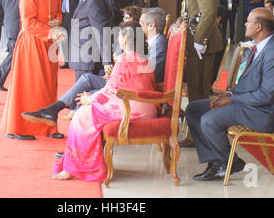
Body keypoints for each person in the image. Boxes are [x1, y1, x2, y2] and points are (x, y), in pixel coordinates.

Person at [28, 21, 158, 181]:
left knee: (81, 116)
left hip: (133, 107)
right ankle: (75, 164)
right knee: (84, 112)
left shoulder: (126, 59)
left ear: (124, 37)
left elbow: (113, 90)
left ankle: (77, 167)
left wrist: (92, 99)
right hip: (142, 104)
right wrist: (94, 99)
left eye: (118, 35)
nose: (118, 38)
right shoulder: (141, 58)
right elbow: (117, 88)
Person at [184, 8, 274, 181]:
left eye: (248, 21)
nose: (245, 24)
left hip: (259, 112)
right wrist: (227, 94)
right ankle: (219, 160)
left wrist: (231, 99)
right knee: (194, 109)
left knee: (209, 120)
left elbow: (267, 95)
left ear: (258, 26)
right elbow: (245, 84)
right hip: (245, 104)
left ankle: (227, 162)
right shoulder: (260, 48)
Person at [22, 8, 168, 135]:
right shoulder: (142, 47)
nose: (138, 28)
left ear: (152, 25)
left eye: (140, 24)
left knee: (87, 98)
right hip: (133, 91)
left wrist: (93, 97)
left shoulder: (158, 43)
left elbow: (148, 73)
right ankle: (56, 111)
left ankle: (79, 152)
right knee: (87, 83)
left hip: (135, 97)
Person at [0, 0, 66, 141]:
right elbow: (28, 23)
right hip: (32, 43)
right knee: (27, 86)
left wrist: (56, 23)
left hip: (49, 43)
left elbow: (59, 13)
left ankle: (48, 128)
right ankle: (18, 128)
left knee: (49, 85)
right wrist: (51, 30)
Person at [180, 0, 224, 102]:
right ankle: (195, 122)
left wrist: (200, 40)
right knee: (194, 87)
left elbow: (208, 12)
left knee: (198, 90)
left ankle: (198, 125)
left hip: (202, 42)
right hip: (196, 38)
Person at [68, 0, 111, 82]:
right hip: (85, 55)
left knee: (81, 96)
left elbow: (101, 29)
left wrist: (107, 60)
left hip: (87, 57)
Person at [60, 0, 82, 68]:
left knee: (74, 40)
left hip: (73, 16)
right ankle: (66, 61)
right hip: (63, 16)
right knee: (64, 40)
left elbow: (80, 4)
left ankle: (74, 62)